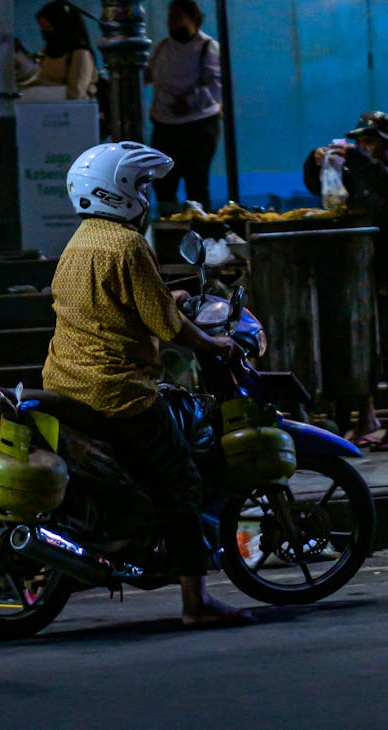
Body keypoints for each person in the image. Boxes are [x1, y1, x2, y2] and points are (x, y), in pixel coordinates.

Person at [42, 140, 253, 627]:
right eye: (142, 186)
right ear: (120, 192)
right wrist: (213, 345)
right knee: (181, 480)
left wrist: (168, 296)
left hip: (65, 380)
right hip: (116, 390)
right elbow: (169, 327)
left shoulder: (80, 242)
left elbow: (122, 303)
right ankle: (196, 603)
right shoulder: (127, 244)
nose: (147, 196)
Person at [303, 111, 388, 452]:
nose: (362, 147)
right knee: (361, 350)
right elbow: (321, 187)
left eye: (368, 141)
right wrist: (315, 162)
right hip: (357, 277)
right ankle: (366, 417)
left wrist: (356, 159)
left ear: (385, 142)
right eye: (359, 141)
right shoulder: (361, 176)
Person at [145, 0, 222, 216]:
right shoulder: (162, 47)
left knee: (196, 186)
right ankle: (169, 233)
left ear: (193, 19)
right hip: (165, 126)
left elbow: (216, 86)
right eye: (169, 17)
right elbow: (149, 74)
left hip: (198, 129)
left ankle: (200, 237)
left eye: (177, 17)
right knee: (163, 184)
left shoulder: (207, 47)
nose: (171, 23)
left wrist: (189, 102)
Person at [28, 0, 97, 100]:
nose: (45, 32)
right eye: (42, 28)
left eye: (49, 27)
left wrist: (39, 85)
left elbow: (76, 93)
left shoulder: (80, 54)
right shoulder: (46, 52)